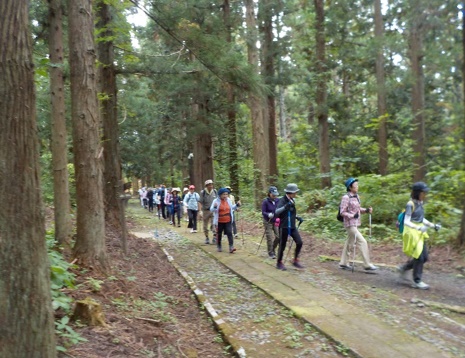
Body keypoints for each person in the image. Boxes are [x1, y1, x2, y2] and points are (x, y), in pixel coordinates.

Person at [398, 182, 441, 290]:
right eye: (423, 192)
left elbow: (421, 219)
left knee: (425, 257)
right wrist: (418, 228)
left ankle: (403, 268)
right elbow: (407, 221)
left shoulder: (420, 203)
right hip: (411, 232)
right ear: (417, 193)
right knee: (419, 256)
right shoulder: (410, 204)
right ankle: (417, 280)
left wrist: (432, 225)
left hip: (420, 231)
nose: (425, 194)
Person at [338, 178, 378, 271]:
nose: (357, 187)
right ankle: (367, 264)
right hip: (349, 224)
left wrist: (366, 210)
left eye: (357, 185)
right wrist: (352, 215)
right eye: (355, 185)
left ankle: (343, 263)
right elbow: (342, 212)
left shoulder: (356, 196)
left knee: (349, 242)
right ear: (350, 187)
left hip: (355, 223)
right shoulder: (346, 197)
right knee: (362, 241)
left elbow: (358, 209)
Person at [274, 183, 304, 270]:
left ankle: (295, 260)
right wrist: (285, 206)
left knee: (299, 242)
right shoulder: (282, 200)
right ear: (290, 192)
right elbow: (277, 212)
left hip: (292, 226)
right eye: (295, 192)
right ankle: (279, 263)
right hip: (284, 226)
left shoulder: (292, 200)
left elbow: (291, 212)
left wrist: (297, 217)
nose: (296, 194)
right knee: (282, 245)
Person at [210, 188, 240, 253]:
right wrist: (215, 207)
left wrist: (237, 205)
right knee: (219, 233)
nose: (225, 196)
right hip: (219, 221)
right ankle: (219, 245)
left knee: (229, 232)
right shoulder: (216, 201)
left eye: (226, 194)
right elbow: (211, 209)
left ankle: (231, 247)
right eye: (224, 194)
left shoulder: (228, 200)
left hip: (228, 220)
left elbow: (232, 207)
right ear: (220, 195)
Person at [261, 186, 280, 259]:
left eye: (275, 194)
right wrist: (268, 214)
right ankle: (270, 252)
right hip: (267, 221)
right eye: (273, 194)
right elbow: (263, 212)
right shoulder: (265, 201)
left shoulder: (278, 200)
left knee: (278, 236)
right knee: (269, 237)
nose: (274, 196)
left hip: (275, 221)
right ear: (269, 194)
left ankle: (273, 249)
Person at [199, 179, 218, 244]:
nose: (211, 186)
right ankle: (206, 237)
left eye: (211, 184)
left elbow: (217, 201)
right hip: (205, 211)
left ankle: (214, 237)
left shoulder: (215, 191)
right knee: (205, 225)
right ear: (206, 186)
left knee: (214, 224)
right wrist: (200, 211)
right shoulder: (203, 192)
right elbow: (200, 202)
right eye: (209, 185)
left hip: (213, 211)